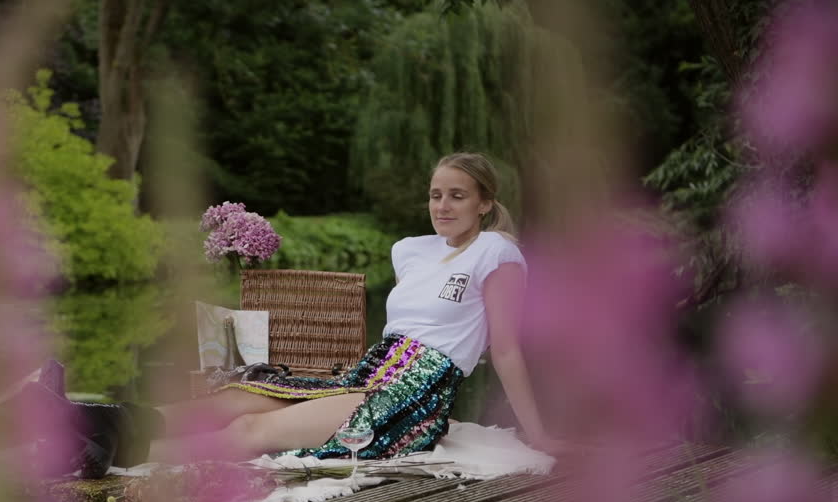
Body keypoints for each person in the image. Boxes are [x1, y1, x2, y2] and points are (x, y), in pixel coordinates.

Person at [146, 151, 555, 464]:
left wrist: (536, 434)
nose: (442, 206)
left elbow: (504, 349)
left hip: (415, 392)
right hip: (370, 370)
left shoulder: (496, 253)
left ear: (484, 204)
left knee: (252, 428)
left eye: (457, 196)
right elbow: (405, 324)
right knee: (235, 397)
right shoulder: (410, 251)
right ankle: (111, 423)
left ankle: (121, 456)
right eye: (435, 195)